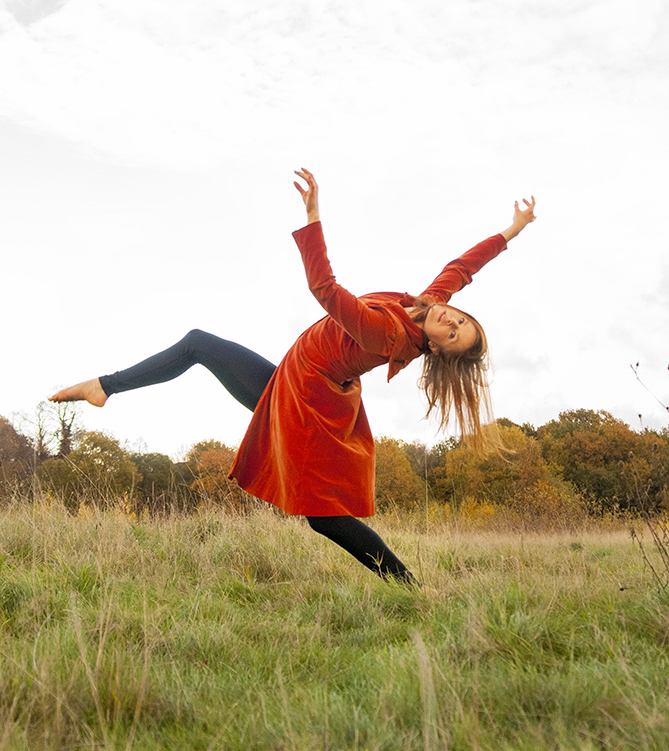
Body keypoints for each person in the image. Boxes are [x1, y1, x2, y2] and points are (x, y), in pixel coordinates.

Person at [50, 169, 536, 586]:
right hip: (297, 380)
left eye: (454, 337)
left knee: (322, 516)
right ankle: (103, 387)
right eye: (460, 321)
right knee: (199, 343)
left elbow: (325, 289)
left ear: (435, 348)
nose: (452, 324)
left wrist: (313, 218)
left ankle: (408, 586)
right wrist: (512, 230)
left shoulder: (389, 332)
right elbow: (461, 267)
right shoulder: (425, 306)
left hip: (305, 400)